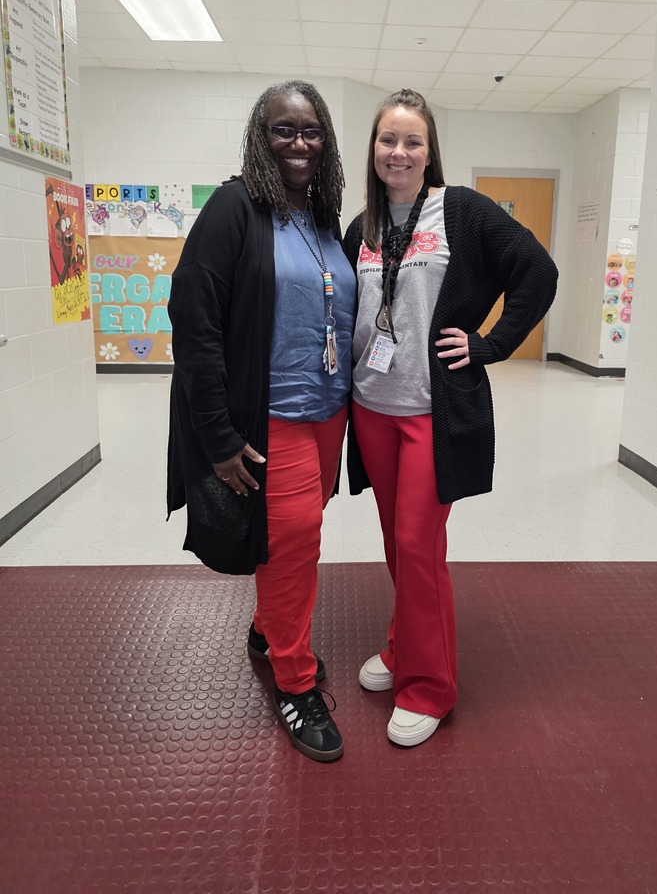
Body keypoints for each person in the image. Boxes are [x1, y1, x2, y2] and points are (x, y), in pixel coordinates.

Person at [343, 89, 558, 747]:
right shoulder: (363, 228)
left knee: (418, 546)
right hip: (372, 409)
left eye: (412, 141)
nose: (399, 152)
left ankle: (430, 687)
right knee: (395, 544)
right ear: (373, 149)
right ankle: (404, 647)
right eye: (388, 140)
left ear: (430, 150)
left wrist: (489, 344)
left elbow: (537, 271)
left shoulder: (458, 210)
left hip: (430, 413)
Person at [167, 80, 355, 763]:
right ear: (260, 136)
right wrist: (218, 435)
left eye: (310, 131)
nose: (298, 142)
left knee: (300, 533)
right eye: (283, 130)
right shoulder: (234, 208)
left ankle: (267, 630)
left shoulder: (324, 216)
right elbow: (193, 320)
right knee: (293, 544)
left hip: (325, 414)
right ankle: (294, 681)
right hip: (268, 415)